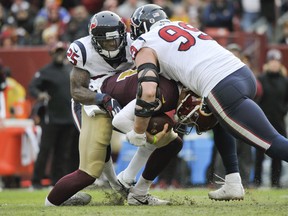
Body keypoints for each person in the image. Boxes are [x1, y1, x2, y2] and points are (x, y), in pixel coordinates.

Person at [126, 4, 288, 199]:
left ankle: (233, 182)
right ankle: (233, 182)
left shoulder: (145, 42)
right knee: (217, 121)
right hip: (242, 74)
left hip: (221, 86)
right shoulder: (181, 25)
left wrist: (137, 130)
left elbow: (149, 90)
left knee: (271, 142)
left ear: (141, 27)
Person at [44, 11, 133, 206]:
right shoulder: (83, 50)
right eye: (104, 40)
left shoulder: (133, 44)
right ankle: (115, 185)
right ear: (94, 40)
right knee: (98, 152)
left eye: (114, 39)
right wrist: (103, 98)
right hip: (90, 104)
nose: (111, 44)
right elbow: (77, 91)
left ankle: (123, 185)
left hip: (122, 100)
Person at [29, 41, 79, 189]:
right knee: (45, 149)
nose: (59, 54)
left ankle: (56, 182)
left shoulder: (70, 70)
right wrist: (40, 94)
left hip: (68, 119)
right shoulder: (45, 71)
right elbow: (32, 87)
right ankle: (36, 182)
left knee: (63, 153)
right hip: (51, 118)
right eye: (56, 51)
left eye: (62, 51)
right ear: (51, 53)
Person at [253, 49, 288, 188]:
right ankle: (257, 181)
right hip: (263, 122)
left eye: (276, 62)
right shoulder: (260, 79)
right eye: (272, 61)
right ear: (267, 63)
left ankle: (276, 182)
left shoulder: (285, 81)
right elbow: (255, 99)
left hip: (279, 122)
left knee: (278, 154)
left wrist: (283, 111)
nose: (274, 64)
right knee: (259, 154)